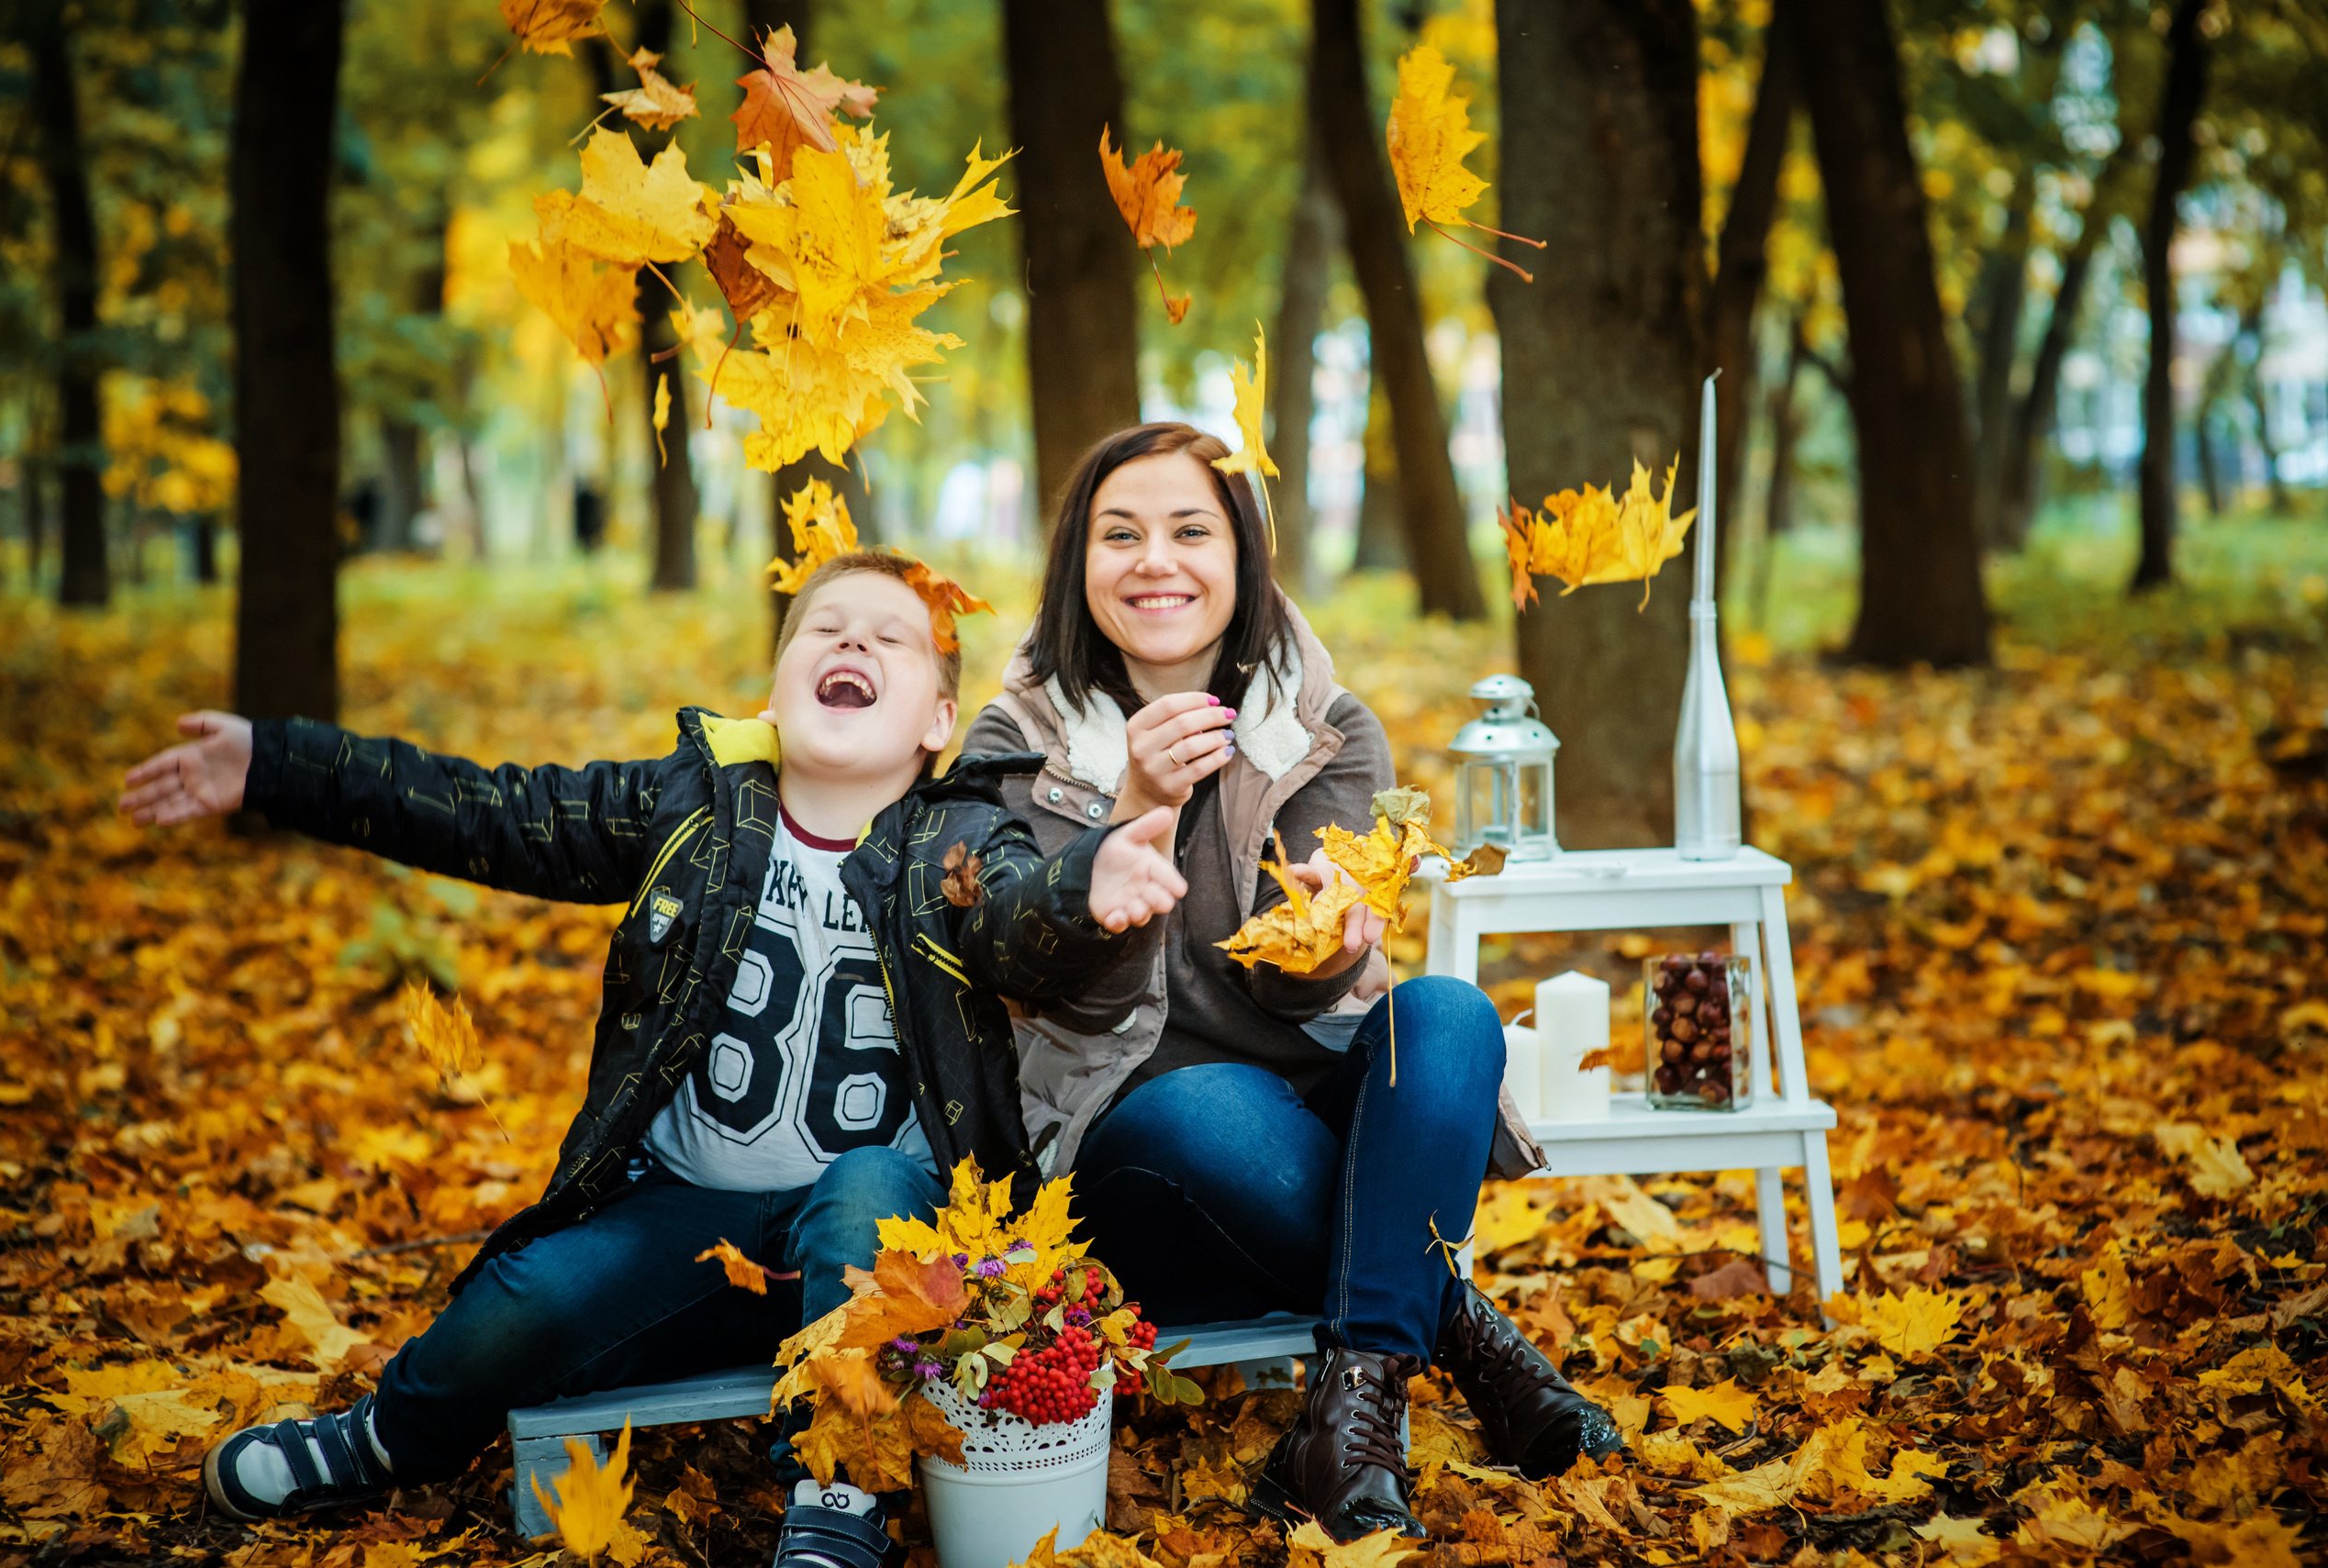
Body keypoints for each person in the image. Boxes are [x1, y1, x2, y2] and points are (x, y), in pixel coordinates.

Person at [118, 551, 1183, 1564]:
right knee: (527, 1297)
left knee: (867, 1186)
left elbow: (1016, 920)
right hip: (689, 1216)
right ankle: (391, 1435)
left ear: (939, 719)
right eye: (824, 627)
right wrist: (278, 762)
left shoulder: (957, 839)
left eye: (890, 639)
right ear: (774, 690)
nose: (850, 642)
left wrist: (1082, 886)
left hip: (878, 1244)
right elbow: (494, 810)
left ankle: (837, 1487)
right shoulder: (694, 808)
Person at [964, 425, 1621, 1542]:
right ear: (1078, 561)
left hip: (1309, 1107)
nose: (1154, 559)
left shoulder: (1323, 729)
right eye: (1119, 533)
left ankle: (1350, 1403)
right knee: (1200, 1108)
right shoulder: (1014, 741)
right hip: (1137, 1152)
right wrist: (1128, 812)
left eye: (1190, 530)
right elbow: (1017, 964)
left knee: (1450, 1018)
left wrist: (1322, 948)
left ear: (1243, 555)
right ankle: (1456, 1323)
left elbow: (1302, 995)